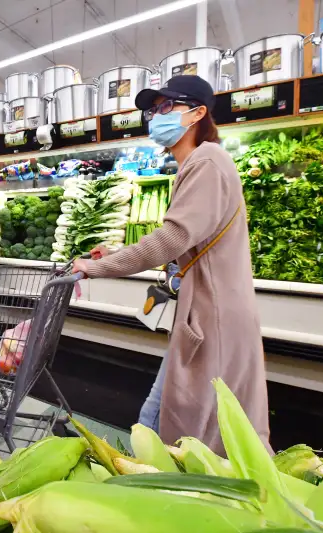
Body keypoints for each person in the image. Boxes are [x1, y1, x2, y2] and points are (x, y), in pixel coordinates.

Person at [72, 75, 271, 454]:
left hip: (215, 320)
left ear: (197, 113)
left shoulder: (207, 161)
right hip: (206, 315)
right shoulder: (197, 163)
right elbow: (185, 240)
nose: (155, 116)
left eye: (166, 107)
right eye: (152, 109)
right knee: (174, 417)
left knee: (186, 429)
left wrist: (93, 267)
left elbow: (171, 240)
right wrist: (114, 252)